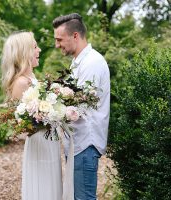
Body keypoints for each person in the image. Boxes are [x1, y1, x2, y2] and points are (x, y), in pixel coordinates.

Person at [53, 13, 110, 200]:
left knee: (83, 198)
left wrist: (47, 110)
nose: (57, 45)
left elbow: (78, 106)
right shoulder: (79, 62)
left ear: (75, 36)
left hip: (85, 144)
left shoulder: (92, 63)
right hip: (76, 144)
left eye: (60, 39)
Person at [0, 31, 63, 200]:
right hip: (39, 142)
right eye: (35, 46)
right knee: (42, 188)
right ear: (24, 52)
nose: (39, 50)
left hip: (49, 141)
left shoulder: (32, 77)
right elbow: (21, 124)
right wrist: (46, 115)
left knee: (51, 184)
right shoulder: (21, 82)